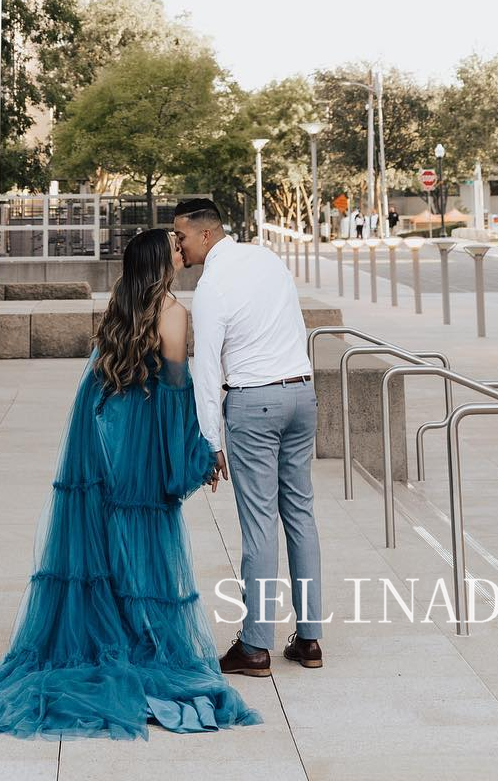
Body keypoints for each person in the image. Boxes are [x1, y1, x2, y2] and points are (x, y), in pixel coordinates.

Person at [0, 228, 262, 741]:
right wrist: (198, 452)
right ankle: (136, 636)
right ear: (160, 263)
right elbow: (174, 393)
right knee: (140, 537)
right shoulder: (172, 313)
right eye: (172, 247)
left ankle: (106, 628)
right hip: (138, 438)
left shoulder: (122, 307)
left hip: (101, 433)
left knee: (102, 535)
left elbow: (102, 381)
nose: (180, 250)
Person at [173, 196, 324, 678]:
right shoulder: (267, 259)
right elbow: (295, 325)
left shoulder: (212, 285)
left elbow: (206, 368)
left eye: (181, 235)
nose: (178, 244)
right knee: (300, 514)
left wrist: (210, 440)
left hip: (254, 402)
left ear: (205, 234)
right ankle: (310, 639)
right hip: (300, 393)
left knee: (259, 524)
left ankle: (256, 646)